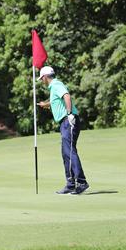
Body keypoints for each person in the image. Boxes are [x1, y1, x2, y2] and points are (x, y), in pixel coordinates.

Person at [37, 66, 89, 195]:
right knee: (66, 153)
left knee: (70, 151)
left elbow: (66, 96)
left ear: (45, 77)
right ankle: (71, 184)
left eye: (41, 78)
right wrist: (46, 104)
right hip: (64, 122)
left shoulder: (56, 84)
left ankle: (81, 182)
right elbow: (57, 100)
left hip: (68, 120)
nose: (41, 81)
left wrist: (69, 113)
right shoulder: (54, 87)